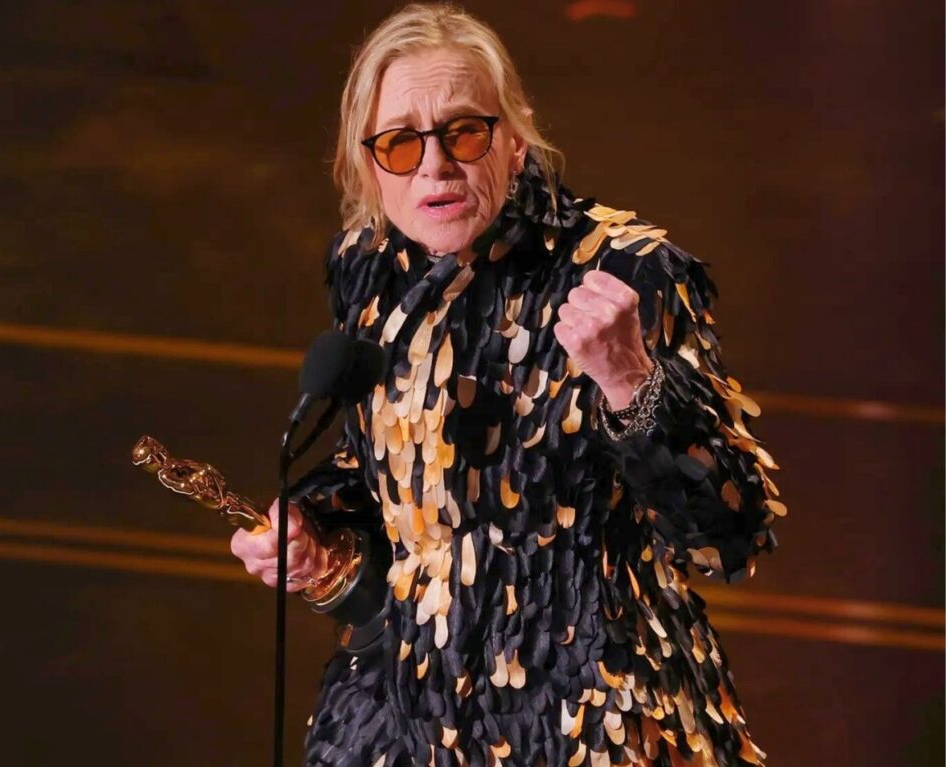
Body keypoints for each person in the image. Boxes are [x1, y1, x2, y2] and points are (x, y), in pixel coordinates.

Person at [230, 4, 786, 765]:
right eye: (399, 143)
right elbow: (385, 469)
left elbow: (732, 533)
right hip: (408, 711)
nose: (434, 166)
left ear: (515, 141)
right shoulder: (370, 266)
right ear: (369, 166)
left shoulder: (625, 271)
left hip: (591, 719)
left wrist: (633, 384)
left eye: (464, 132)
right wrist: (312, 526)